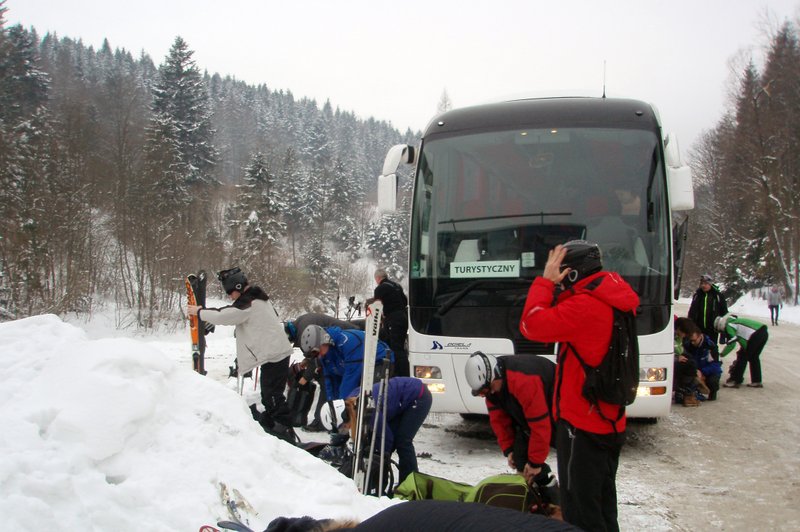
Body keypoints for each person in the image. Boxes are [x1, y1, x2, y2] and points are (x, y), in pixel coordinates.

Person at [518, 240, 639, 532]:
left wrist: (544, 284)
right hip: (609, 421)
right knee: (603, 505)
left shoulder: (585, 306)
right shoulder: (613, 296)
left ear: (571, 274)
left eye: (560, 271)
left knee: (580, 512)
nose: (556, 278)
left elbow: (530, 325)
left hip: (583, 425)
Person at [187, 267, 293, 431]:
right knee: (270, 394)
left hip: (275, 354)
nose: (230, 297)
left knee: (272, 395)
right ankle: (275, 423)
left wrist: (200, 312)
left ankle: (283, 428)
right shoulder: (258, 298)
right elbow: (236, 315)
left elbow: (225, 315)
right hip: (275, 353)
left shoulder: (249, 301)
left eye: (230, 293)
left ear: (236, 287)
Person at [464, 352, 557, 490]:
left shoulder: (524, 381)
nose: (486, 395)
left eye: (485, 390)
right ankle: (533, 500)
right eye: (481, 393)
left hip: (561, 410)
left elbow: (540, 425)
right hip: (530, 417)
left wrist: (535, 463)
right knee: (520, 459)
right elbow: (499, 420)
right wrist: (509, 450)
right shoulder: (492, 391)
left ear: (494, 375)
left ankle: (556, 499)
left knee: (569, 466)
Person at [345, 376, 432, 484]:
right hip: (398, 399)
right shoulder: (350, 402)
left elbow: (386, 439)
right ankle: (380, 481)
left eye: (345, 426)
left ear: (349, 418)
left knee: (402, 441)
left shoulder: (368, 411)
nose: (347, 429)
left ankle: (410, 484)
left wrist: (379, 461)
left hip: (418, 396)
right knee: (383, 442)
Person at [286, 314, 361, 431]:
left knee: (326, 382)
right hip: (337, 345)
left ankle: (323, 421)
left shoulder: (304, 332)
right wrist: (305, 362)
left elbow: (315, 357)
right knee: (329, 381)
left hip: (348, 343)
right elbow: (314, 354)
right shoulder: (300, 324)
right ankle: (333, 417)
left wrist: (304, 379)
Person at [300, 324, 394, 401]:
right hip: (358, 368)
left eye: (317, 351)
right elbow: (331, 381)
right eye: (314, 355)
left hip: (379, 361)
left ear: (324, 340)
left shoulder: (347, 342)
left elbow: (350, 378)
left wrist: (342, 405)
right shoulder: (325, 355)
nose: (318, 356)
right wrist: (332, 404)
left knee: (369, 399)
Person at [371, 268, 409, 377]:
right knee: (399, 346)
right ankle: (400, 371)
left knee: (395, 347)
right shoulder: (396, 286)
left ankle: (401, 374)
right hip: (403, 317)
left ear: (378, 278)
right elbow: (405, 301)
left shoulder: (380, 289)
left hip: (393, 319)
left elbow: (377, 306)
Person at [716, 314, 769, 388]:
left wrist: (722, 354)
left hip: (755, 334)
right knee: (754, 357)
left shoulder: (728, 325)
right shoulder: (734, 321)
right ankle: (756, 381)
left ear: (720, 326)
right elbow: (743, 340)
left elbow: (732, 343)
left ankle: (735, 380)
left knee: (742, 357)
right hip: (763, 332)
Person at [675, 318, 721, 401]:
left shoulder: (710, 346)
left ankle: (712, 391)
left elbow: (716, 365)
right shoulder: (688, 345)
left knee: (713, 381)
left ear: (700, 336)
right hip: (695, 371)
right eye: (690, 340)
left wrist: (702, 371)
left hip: (707, 371)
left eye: (694, 340)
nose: (692, 343)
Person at [672, 317, 706, 407]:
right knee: (689, 365)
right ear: (678, 329)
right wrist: (675, 358)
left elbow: (681, 350)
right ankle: (688, 393)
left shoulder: (678, 338)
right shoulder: (669, 336)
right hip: (670, 362)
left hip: (677, 358)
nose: (684, 336)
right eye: (684, 333)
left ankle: (688, 390)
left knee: (691, 361)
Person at [688, 274, 728, 344]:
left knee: (712, 348)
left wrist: (723, 333)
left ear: (710, 284)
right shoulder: (697, 295)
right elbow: (692, 312)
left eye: (706, 283)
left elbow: (724, 314)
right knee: (697, 348)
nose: (703, 285)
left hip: (713, 329)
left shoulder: (718, 296)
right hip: (698, 329)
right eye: (702, 283)